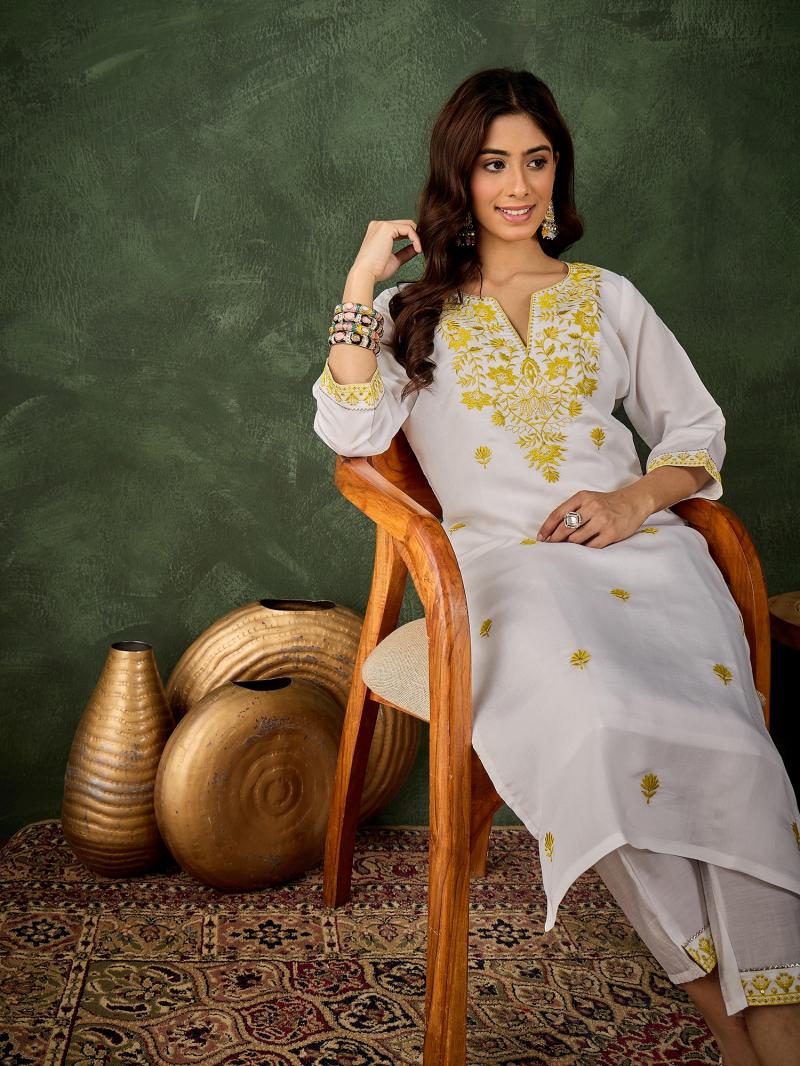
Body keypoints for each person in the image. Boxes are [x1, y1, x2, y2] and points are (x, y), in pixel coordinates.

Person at [310, 67, 800, 1066]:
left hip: (646, 558)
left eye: (536, 161)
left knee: (739, 750)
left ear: (557, 173)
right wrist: (360, 285)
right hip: (507, 576)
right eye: (494, 163)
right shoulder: (412, 312)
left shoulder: (608, 298)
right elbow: (350, 426)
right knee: (597, 730)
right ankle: (728, 1025)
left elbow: (694, 431)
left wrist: (633, 502)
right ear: (461, 175)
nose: (518, 184)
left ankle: (779, 1019)